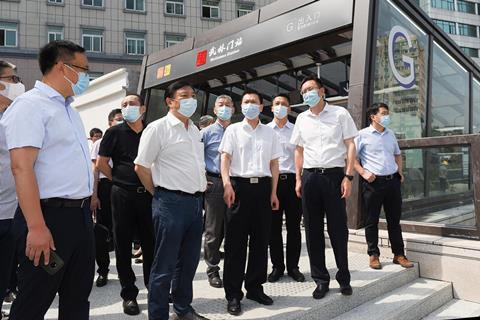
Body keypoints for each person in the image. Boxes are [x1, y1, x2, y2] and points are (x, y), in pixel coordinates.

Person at [0, 40, 94, 320]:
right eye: (84, 69)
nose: (87, 76)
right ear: (62, 67)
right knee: (34, 301)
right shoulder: (30, 106)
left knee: (77, 300)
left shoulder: (69, 110)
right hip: (48, 220)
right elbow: (21, 168)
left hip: (80, 219)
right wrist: (37, 227)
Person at [134, 81, 208, 320]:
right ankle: (158, 315)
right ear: (169, 101)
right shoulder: (158, 128)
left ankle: (183, 308)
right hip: (170, 203)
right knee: (164, 265)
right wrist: (158, 194)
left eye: (193, 95)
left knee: (188, 263)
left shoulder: (194, 130)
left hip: (196, 204)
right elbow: (141, 166)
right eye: (184, 96)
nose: (191, 100)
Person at [290, 75, 357, 299]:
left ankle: (344, 277)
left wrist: (348, 176)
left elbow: (350, 145)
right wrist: (299, 179)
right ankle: (320, 279)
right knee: (312, 230)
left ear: (322, 91)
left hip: (334, 176)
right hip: (310, 178)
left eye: (310, 88)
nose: (307, 93)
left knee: (338, 229)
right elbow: (298, 150)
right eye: (303, 91)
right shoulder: (301, 118)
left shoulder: (340, 114)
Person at [219, 88, 282, 316]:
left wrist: (274, 193)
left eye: (254, 101)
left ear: (261, 106)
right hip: (238, 188)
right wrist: (226, 185)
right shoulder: (233, 130)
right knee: (235, 244)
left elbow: (274, 164)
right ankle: (233, 294)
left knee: (260, 241)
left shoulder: (270, 133)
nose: (249, 105)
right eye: (245, 101)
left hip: (263, 189)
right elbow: (225, 159)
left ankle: (255, 287)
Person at [96, 94, 155, 316]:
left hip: (149, 194)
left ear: (143, 108)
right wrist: (119, 181)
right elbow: (102, 163)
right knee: (122, 244)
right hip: (122, 195)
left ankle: (153, 288)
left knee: (151, 243)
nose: (128, 107)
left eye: (132, 104)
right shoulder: (114, 132)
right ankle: (129, 294)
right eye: (124, 104)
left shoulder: (153, 130)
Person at [354, 103, 413, 270]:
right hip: (373, 183)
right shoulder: (362, 135)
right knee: (371, 220)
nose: (387, 116)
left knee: (394, 221)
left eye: (387, 113)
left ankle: (399, 255)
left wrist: (399, 171)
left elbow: (397, 154)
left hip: (392, 182)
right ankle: (373, 255)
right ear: (373, 117)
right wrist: (364, 173)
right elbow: (351, 158)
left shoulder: (390, 134)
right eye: (384, 113)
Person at [267, 94, 304, 283]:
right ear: (272, 108)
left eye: (284, 104)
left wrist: (299, 179)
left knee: (293, 228)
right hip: (272, 184)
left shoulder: (296, 130)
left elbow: (301, 156)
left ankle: (293, 267)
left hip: (292, 182)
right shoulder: (265, 130)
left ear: (289, 109)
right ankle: (277, 267)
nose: (280, 107)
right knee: (273, 228)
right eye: (277, 104)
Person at [201, 95, 235, 288]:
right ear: (214, 110)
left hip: (236, 183)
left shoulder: (239, 130)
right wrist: (202, 179)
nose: (224, 108)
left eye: (228, 105)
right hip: (214, 183)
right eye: (220, 105)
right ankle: (213, 269)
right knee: (213, 229)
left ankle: (233, 267)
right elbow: (196, 157)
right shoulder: (206, 133)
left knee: (234, 228)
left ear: (233, 108)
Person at [0, 60, 25, 320]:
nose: (18, 84)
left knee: (6, 270)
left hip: (11, 209)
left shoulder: (14, 117)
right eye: (13, 79)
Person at [90, 108, 123, 287]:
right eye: (118, 119)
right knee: (102, 232)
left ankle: (125, 270)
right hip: (105, 188)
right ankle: (103, 271)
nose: (121, 121)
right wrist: (94, 195)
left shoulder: (130, 139)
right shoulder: (100, 142)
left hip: (124, 188)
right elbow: (96, 170)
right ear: (110, 122)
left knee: (122, 231)